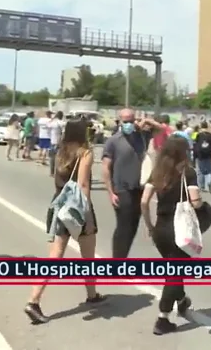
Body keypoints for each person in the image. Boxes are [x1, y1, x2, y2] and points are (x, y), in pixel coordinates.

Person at [25, 120, 106, 324]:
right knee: (88, 256)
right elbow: (84, 185)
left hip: (58, 204)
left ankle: (34, 299)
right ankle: (91, 294)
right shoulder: (84, 153)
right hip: (76, 207)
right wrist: (86, 215)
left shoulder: (60, 152)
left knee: (54, 256)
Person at [141, 136, 201, 335]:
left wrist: (149, 224)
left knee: (174, 266)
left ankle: (182, 300)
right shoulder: (188, 173)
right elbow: (195, 201)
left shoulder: (157, 172)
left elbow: (143, 201)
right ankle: (163, 318)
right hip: (179, 229)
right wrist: (201, 206)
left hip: (161, 228)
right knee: (174, 273)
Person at [101, 109, 161, 258]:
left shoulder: (142, 136)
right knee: (124, 226)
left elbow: (163, 130)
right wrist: (110, 192)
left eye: (130, 120)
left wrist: (147, 121)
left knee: (133, 225)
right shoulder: (113, 141)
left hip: (138, 188)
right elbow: (106, 168)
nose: (128, 124)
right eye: (125, 121)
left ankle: (122, 257)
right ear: (120, 121)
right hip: (121, 189)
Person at [194, 121, 211, 193]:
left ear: (201, 126)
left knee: (200, 171)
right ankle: (209, 182)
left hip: (200, 155)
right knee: (209, 171)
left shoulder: (198, 135)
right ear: (207, 126)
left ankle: (201, 187)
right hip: (209, 154)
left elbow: (195, 144)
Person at [47, 111, 65, 177]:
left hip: (52, 141)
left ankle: (51, 172)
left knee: (52, 157)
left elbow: (48, 125)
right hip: (59, 142)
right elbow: (63, 133)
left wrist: (53, 118)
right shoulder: (61, 123)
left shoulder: (53, 122)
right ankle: (57, 172)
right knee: (59, 158)